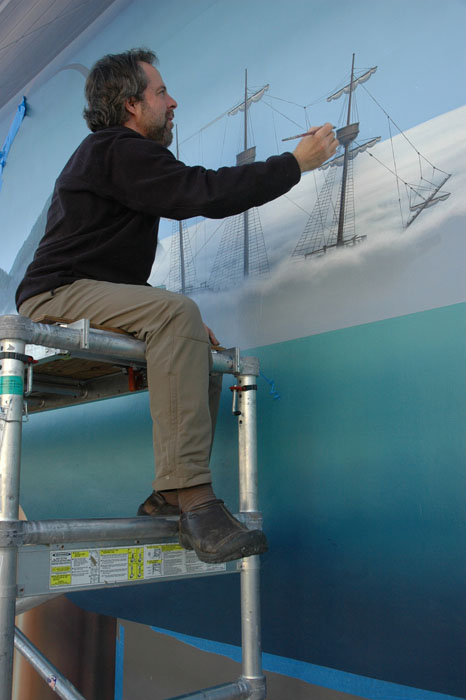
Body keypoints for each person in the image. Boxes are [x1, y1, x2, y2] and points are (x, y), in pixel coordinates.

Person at [16, 48, 338, 564]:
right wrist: (294, 164)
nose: (173, 102)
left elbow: (146, 242)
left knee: (198, 350)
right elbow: (201, 193)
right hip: (56, 294)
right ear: (130, 106)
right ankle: (194, 502)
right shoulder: (116, 148)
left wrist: (173, 326)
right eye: (161, 92)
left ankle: (169, 495)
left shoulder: (113, 155)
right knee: (176, 313)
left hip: (80, 289)